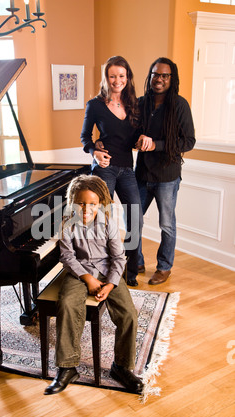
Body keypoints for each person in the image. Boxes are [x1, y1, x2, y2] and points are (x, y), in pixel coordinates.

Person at [44, 175, 143, 395]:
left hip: (109, 272)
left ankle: (122, 367)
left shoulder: (109, 224)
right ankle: (67, 367)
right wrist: (87, 278)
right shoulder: (67, 224)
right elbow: (67, 257)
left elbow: (119, 259)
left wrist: (110, 285)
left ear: (100, 203)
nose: (86, 209)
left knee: (128, 314)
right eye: (81, 203)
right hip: (79, 273)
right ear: (72, 202)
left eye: (92, 204)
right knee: (68, 303)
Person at [80, 56, 152, 287]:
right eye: (113, 76)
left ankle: (130, 271)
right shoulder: (95, 105)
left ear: (127, 77)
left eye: (121, 76)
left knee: (135, 219)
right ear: (106, 77)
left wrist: (141, 139)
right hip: (105, 169)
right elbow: (84, 138)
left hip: (127, 170)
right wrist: (95, 151)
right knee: (102, 220)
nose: (117, 80)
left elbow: (133, 138)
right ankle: (99, 267)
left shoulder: (134, 105)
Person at [135, 57, 196, 285]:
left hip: (167, 177)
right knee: (133, 219)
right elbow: (130, 132)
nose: (158, 79)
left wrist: (156, 144)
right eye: (155, 74)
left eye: (164, 75)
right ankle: (136, 261)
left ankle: (164, 267)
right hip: (141, 174)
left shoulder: (180, 105)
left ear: (172, 78)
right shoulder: (141, 103)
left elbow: (188, 141)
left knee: (166, 224)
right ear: (150, 76)